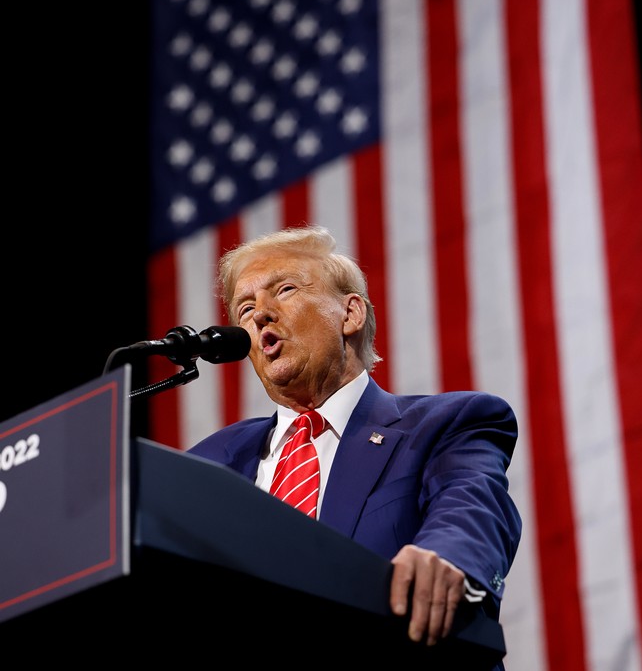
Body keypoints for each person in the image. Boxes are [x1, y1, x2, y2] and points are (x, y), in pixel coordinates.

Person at [188, 224, 521, 665]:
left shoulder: (444, 425)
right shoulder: (208, 464)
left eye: (283, 289)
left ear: (350, 314)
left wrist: (447, 557)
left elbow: (471, 503)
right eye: (245, 308)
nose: (259, 314)